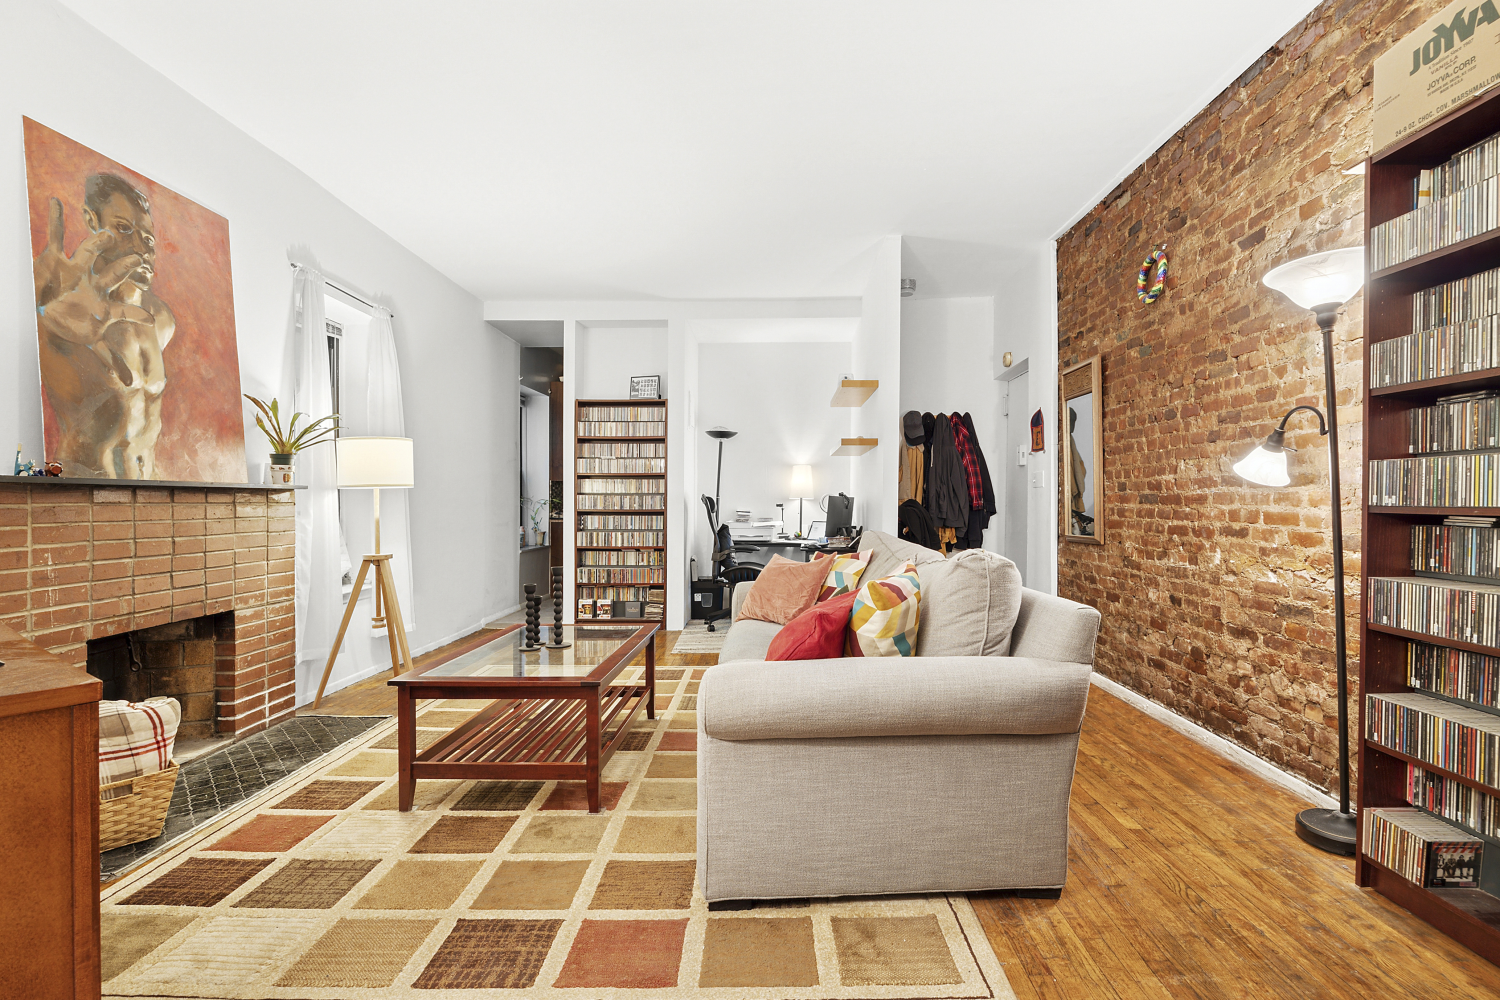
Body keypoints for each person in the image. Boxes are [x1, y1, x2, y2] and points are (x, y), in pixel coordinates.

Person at [32, 174, 176, 478]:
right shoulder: (63, 309)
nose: (141, 248)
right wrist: (40, 300)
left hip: (152, 496)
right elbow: (43, 316)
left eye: (148, 239)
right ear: (91, 219)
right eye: (124, 229)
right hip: (83, 499)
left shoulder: (161, 319)